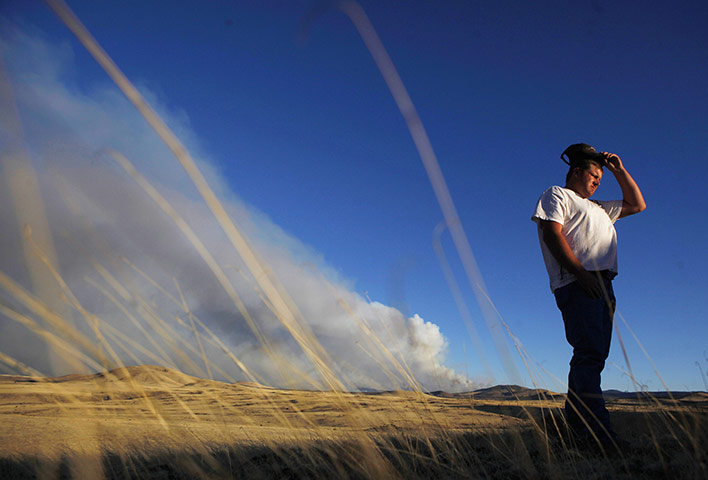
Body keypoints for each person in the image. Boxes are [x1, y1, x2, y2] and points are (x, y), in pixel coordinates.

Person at [531, 143, 646, 448]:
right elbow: (551, 234)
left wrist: (618, 169)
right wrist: (581, 275)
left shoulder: (600, 209)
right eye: (594, 175)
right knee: (590, 354)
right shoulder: (557, 194)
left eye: (601, 178)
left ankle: (576, 428)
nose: (598, 181)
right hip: (577, 281)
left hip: (603, 284)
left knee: (594, 356)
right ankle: (596, 434)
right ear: (577, 171)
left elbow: (637, 204)